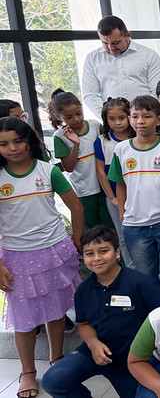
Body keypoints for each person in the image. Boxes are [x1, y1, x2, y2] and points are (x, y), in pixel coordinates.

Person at [0, 117, 83, 398]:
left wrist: (77, 240)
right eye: (3, 144)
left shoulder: (48, 171)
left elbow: (76, 206)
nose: (12, 148)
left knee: (56, 311)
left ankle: (57, 358)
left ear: (29, 141)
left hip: (54, 252)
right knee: (23, 320)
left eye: (18, 141)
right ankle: (27, 372)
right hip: (15, 259)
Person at [41, 226, 160, 398]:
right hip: (96, 353)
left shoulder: (140, 283)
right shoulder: (83, 290)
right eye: (89, 253)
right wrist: (93, 344)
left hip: (134, 358)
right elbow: (84, 324)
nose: (97, 258)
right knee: (53, 380)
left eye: (103, 251)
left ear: (117, 252)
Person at [107, 95, 160, 292]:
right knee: (146, 276)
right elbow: (120, 184)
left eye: (147, 116)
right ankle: (155, 310)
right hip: (135, 225)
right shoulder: (121, 150)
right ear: (130, 119)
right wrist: (122, 212)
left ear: (159, 120)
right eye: (135, 116)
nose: (140, 121)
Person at [50, 88, 114, 231]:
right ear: (58, 116)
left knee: (110, 226)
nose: (76, 119)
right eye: (69, 117)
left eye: (79, 113)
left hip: (105, 186)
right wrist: (76, 144)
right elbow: (69, 167)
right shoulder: (60, 136)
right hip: (84, 190)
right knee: (90, 229)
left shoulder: (95, 125)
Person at [82, 16, 160, 119]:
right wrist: (109, 118)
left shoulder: (149, 55)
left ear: (128, 35)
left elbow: (158, 92)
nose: (111, 48)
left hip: (144, 121)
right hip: (112, 123)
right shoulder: (92, 59)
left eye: (115, 43)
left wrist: (138, 117)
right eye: (105, 43)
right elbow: (90, 94)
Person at [94, 97, 136, 268]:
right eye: (112, 119)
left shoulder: (138, 137)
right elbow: (100, 171)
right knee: (123, 234)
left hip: (138, 195)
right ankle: (131, 268)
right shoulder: (102, 141)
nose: (117, 122)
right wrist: (112, 197)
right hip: (115, 198)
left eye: (121, 118)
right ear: (106, 120)